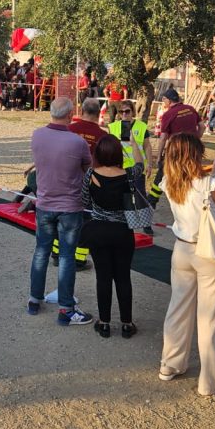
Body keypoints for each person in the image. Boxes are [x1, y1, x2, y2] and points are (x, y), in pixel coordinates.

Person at [158, 132, 215, 396]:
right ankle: (209, 381)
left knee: (177, 309)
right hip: (208, 252)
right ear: (195, 155)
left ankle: (170, 363)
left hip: (182, 249)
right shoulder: (209, 183)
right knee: (210, 318)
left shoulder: (168, 181)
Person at [26, 97, 94, 325]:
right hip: (70, 207)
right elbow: (88, 170)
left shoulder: (37, 135)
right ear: (69, 115)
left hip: (44, 204)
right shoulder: (77, 142)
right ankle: (66, 308)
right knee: (66, 256)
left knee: (41, 252)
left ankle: (34, 299)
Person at [80, 134, 138, 338]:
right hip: (123, 231)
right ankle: (127, 323)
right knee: (123, 277)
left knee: (103, 277)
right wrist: (134, 144)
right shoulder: (129, 175)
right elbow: (140, 165)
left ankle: (104, 322)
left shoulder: (90, 174)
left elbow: (84, 200)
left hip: (99, 231)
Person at [148, 87, 202, 205]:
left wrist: (159, 156)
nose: (163, 103)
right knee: (191, 173)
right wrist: (196, 139)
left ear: (168, 100)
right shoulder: (191, 109)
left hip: (176, 149)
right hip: (193, 149)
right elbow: (202, 126)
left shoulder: (168, 114)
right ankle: (191, 199)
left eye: (164, 100)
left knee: (162, 173)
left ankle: (152, 200)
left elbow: (163, 138)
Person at [108, 101, 154, 235]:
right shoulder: (113, 127)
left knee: (140, 195)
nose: (124, 114)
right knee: (123, 196)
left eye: (127, 111)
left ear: (133, 112)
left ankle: (146, 224)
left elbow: (147, 146)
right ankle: (125, 223)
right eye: (121, 112)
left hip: (137, 167)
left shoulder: (141, 126)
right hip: (120, 167)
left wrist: (150, 164)